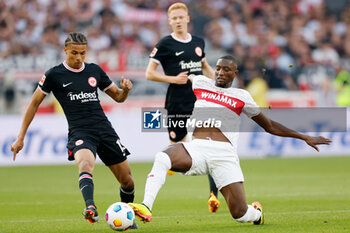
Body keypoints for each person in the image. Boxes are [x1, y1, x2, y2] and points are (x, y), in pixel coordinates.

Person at [129, 55, 332, 225]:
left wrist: (304, 136)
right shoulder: (200, 82)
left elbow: (269, 125)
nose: (220, 73)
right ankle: (146, 206)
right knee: (163, 157)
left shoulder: (241, 96)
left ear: (234, 74)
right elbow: (180, 73)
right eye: (218, 69)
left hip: (224, 155)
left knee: (240, 214)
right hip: (196, 148)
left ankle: (256, 213)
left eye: (226, 70)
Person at [10, 32, 137, 225]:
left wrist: (126, 90)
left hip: (104, 130)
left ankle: (128, 218)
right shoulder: (54, 75)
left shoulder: (95, 70)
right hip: (80, 131)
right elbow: (33, 104)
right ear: (65, 50)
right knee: (85, 164)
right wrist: (20, 137)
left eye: (83, 53)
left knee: (128, 182)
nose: (78, 58)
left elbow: (118, 97)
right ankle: (90, 207)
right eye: (74, 53)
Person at [145, 2, 220, 212]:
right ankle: (170, 166)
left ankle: (213, 195)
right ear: (170, 21)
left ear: (187, 19)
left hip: (200, 101)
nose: (178, 21)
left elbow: (204, 66)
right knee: (177, 145)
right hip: (176, 102)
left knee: (211, 144)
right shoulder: (165, 44)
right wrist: (173, 79)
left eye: (181, 17)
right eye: (174, 18)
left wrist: (221, 85)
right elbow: (149, 73)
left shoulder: (198, 42)